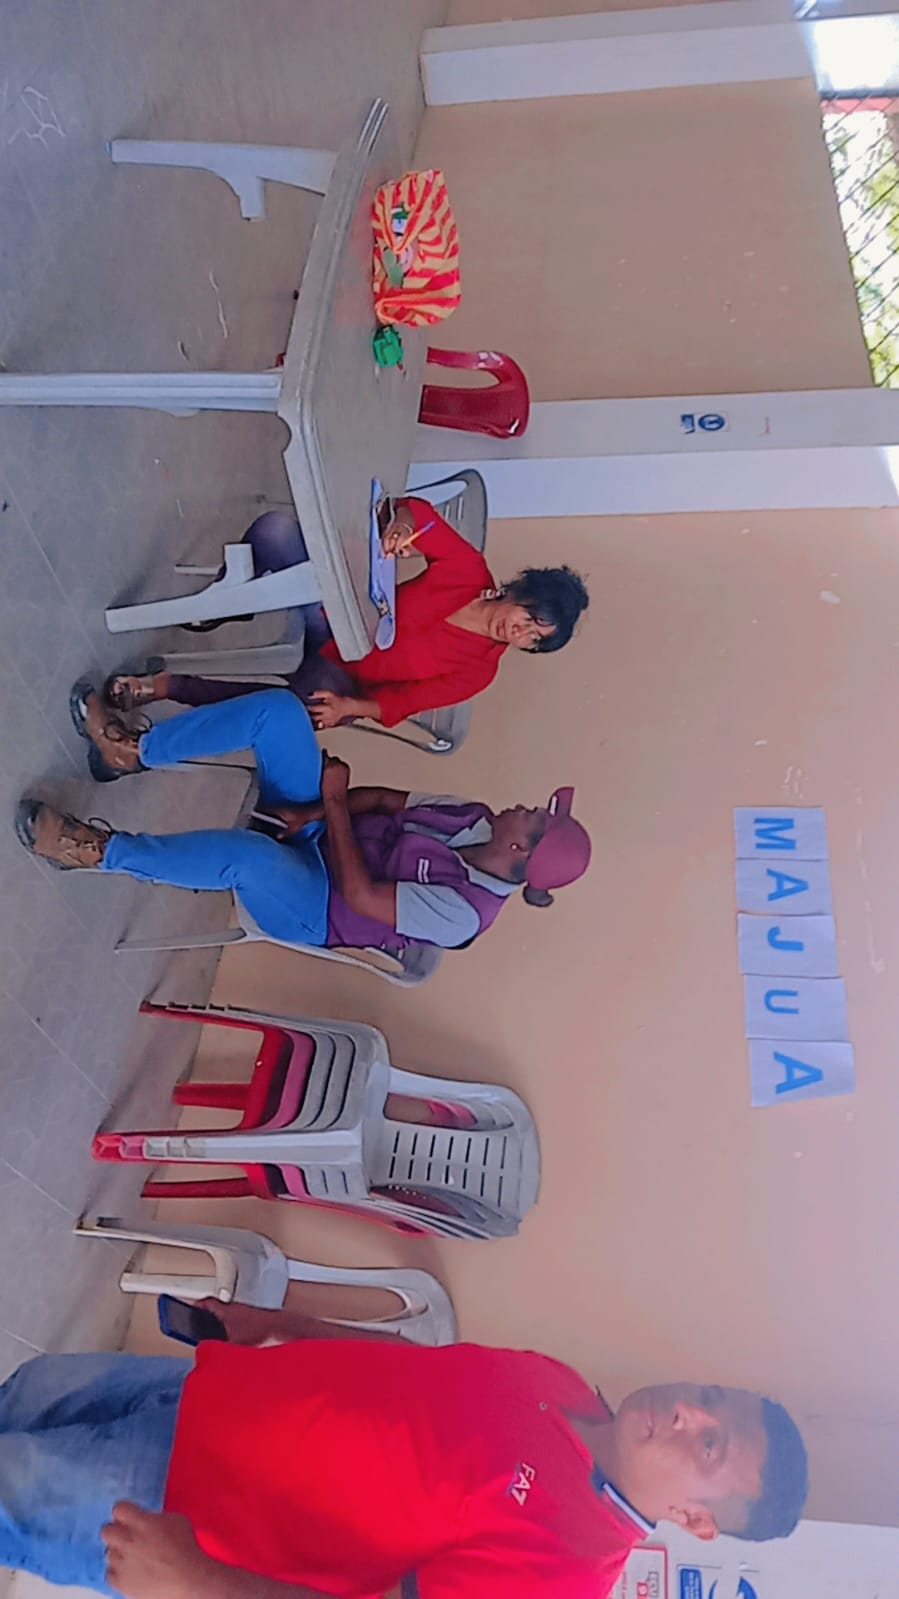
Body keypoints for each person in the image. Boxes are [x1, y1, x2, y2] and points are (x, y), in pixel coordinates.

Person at [0, 1331, 808, 1599]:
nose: (687, 1411)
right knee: (27, 1390)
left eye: (709, 1445)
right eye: (708, 1397)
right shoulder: (564, 1382)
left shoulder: (567, 1571)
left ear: (694, 1518)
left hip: (179, 1506)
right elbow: (412, 1372)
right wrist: (284, 1324)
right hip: (205, 1389)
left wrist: (195, 1580)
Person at [14, 684, 592, 953]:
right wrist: (315, 810)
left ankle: (96, 851)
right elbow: (385, 801)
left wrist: (333, 803)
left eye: (536, 819)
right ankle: (133, 752)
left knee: (248, 859)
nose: (528, 808)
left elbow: (360, 896)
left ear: (521, 851)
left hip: (316, 905)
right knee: (281, 713)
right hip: (321, 832)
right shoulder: (475, 818)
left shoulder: (465, 915)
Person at [101, 501, 590, 734]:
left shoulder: (479, 671)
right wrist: (402, 528)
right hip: (337, 616)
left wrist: (348, 708)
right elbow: (420, 517)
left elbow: (405, 701)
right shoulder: (469, 571)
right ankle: (236, 603)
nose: (519, 631)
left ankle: (166, 686)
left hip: (345, 675)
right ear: (521, 591)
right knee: (274, 532)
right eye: (530, 617)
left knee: (297, 712)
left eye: (532, 639)